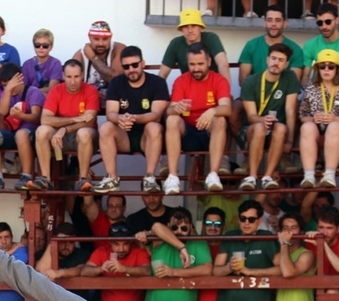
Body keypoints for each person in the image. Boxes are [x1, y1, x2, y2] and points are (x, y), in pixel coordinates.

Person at [93, 46, 168, 194]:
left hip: (148, 138)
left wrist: (134, 118)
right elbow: (111, 113)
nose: (131, 69)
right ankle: (112, 178)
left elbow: (156, 114)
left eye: (135, 65)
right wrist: (120, 118)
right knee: (106, 127)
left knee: (154, 126)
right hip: (124, 136)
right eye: (126, 66)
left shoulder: (157, 82)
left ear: (143, 63)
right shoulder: (116, 83)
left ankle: (150, 178)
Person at [163, 44, 231, 196]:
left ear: (209, 62)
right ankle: (173, 177)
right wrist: (176, 108)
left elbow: (227, 108)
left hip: (209, 133)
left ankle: (213, 175)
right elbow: (169, 110)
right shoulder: (181, 80)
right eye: (192, 64)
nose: (196, 68)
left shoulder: (219, 80)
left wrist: (212, 111)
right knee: (172, 120)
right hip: (187, 133)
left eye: (200, 64)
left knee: (220, 120)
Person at [30, 59, 99, 192]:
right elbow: (45, 119)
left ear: (83, 75)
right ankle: (45, 178)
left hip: (84, 137)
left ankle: (83, 179)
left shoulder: (90, 90)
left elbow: (89, 121)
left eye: (76, 77)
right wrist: (75, 119)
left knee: (84, 132)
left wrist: (64, 128)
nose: (73, 81)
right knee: (41, 130)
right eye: (69, 77)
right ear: (63, 76)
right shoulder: (56, 90)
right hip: (59, 138)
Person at [239, 43, 300, 191]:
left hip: (276, 129)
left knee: (280, 128)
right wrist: (262, 119)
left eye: (280, 60)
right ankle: (252, 177)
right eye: (273, 58)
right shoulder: (251, 81)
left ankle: (267, 176)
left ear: (286, 64)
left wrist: (290, 141)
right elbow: (251, 116)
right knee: (260, 127)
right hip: (252, 128)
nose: (276, 63)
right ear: (267, 59)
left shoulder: (290, 77)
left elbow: (290, 110)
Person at [298, 49, 339, 189]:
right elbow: (302, 115)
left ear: (337, 69)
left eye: (331, 66)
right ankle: (308, 176)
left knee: (334, 127)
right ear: (317, 69)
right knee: (306, 127)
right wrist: (313, 119)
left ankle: (329, 175)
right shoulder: (311, 89)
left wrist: (335, 118)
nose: (326, 69)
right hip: (319, 131)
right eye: (322, 66)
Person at [81, 223, 152, 301]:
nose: (121, 249)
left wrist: (125, 269)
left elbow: (147, 270)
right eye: (116, 244)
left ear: (131, 242)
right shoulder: (102, 252)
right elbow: (84, 271)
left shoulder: (138, 252)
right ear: (110, 242)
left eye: (125, 244)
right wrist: (100, 269)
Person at [238, 4, 306, 84]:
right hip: (255, 94)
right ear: (264, 23)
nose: (273, 24)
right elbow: (243, 81)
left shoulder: (295, 50)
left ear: (285, 23)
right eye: (269, 20)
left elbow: (294, 83)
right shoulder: (251, 46)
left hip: (283, 95)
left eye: (278, 20)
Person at [159, 10, 231, 78]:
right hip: (188, 87)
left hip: (213, 87)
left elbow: (223, 65)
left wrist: (225, 90)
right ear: (181, 29)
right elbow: (162, 74)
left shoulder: (211, 38)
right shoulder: (175, 44)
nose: (190, 30)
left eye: (193, 26)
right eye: (186, 26)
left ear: (200, 27)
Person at [72, 20, 125, 103]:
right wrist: (92, 93)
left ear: (111, 37)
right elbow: (71, 83)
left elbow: (115, 79)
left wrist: (93, 58)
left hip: (116, 103)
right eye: (96, 39)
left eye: (105, 39)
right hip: (87, 102)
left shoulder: (118, 49)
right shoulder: (80, 54)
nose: (101, 43)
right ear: (89, 38)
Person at [21, 29, 63, 94]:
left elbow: (52, 89)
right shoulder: (27, 64)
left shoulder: (56, 63)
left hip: (48, 99)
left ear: (51, 47)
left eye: (45, 46)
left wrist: (33, 92)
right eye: (37, 45)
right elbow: (23, 88)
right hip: (30, 99)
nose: (41, 48)